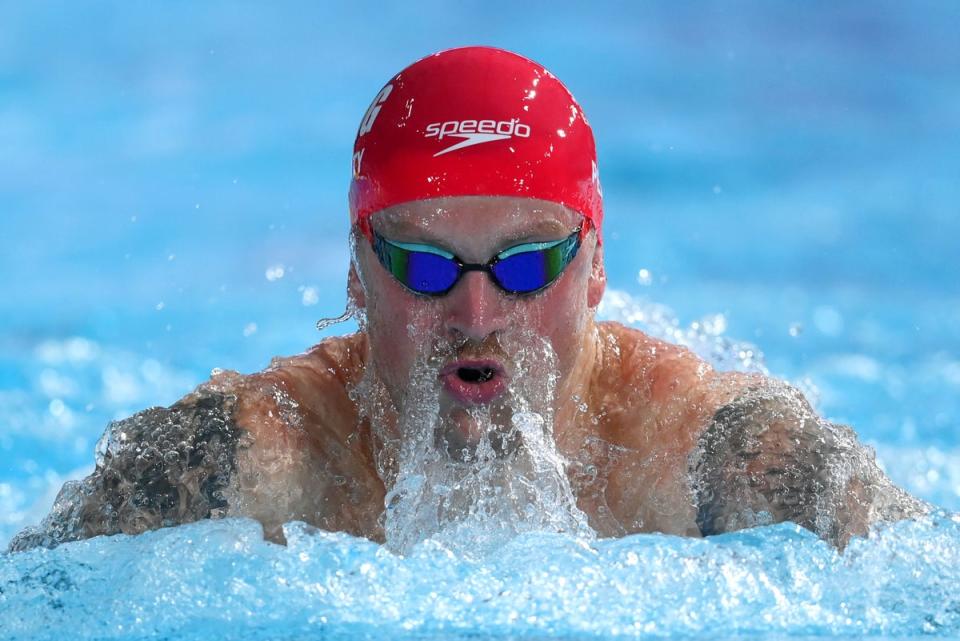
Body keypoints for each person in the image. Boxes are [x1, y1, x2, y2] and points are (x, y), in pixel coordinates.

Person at [8, 46, 925, 554]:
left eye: (527, 266)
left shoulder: (697, 448)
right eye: (425, 266)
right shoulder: (267, 450)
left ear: (597, 266)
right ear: (357, 271)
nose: (478, 317)